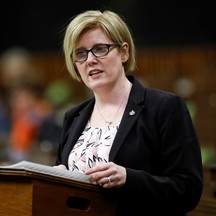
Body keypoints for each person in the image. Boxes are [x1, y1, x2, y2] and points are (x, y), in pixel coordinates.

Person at [54, 10, 203, 215]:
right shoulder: (73, 116)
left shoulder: (165, 107)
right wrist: (56, 180)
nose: (90, 60)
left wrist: (129, 178)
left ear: (124, 52)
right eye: (80, 53)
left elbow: (188, 190)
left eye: (100, 49)